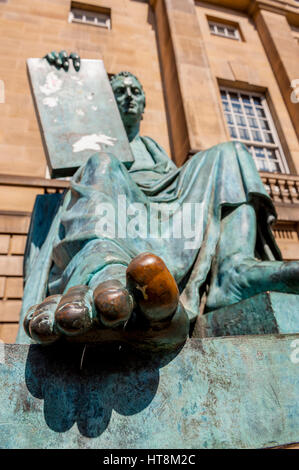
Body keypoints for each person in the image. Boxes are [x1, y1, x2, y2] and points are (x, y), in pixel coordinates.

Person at [18, 53, 299, 349]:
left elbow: (176, 185)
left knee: (230, 151)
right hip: (119, 207)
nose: (129, 96)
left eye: (135, 91)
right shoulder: (95, 147)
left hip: (165, 205)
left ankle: (233, 270)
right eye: (119, 91)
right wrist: (63, 74)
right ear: (108, 103)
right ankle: (103, 270)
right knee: (101, 162)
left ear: (143, 107)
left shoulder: (152, 147)